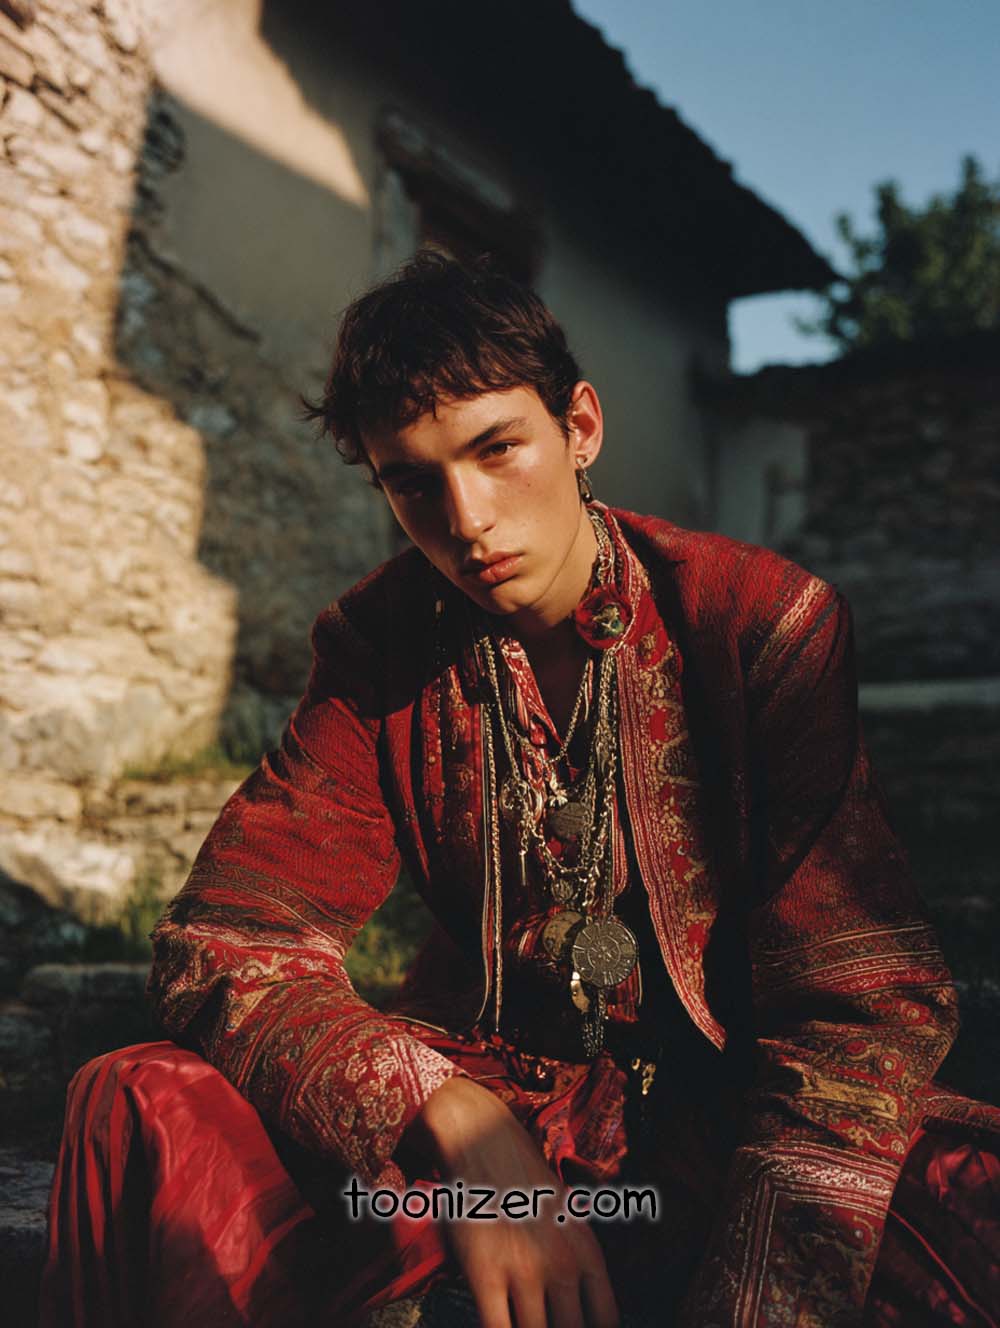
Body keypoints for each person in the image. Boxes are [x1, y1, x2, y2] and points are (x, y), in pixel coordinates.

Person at [42, 252, 999, 1328]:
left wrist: (759, 1290)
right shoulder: (378, 648)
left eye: (498, 449)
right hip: (495, 1109)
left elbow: (858, 1005)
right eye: (411, 480)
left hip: (730, 1120)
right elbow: (223, 934)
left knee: (965, 1211)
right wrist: (450, 1112)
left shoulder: (757, 623)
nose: (466, 517)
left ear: (578, 427)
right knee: (138, 1098)